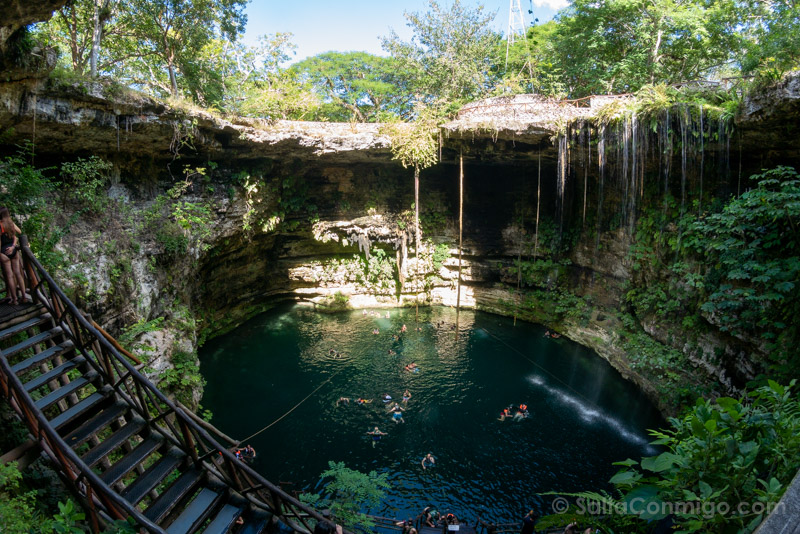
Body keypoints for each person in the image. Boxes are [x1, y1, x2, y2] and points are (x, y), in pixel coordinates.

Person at [0, 207, 26, 305]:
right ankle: (24, 297)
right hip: (13, 250)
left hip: (4, 252)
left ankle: (14, 300)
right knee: (18, 273)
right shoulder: (10, 223)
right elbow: (19, 232)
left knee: (10, 276)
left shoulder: (0, 225)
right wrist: (13, 246)